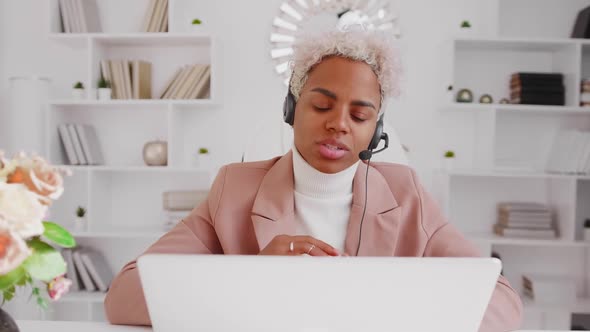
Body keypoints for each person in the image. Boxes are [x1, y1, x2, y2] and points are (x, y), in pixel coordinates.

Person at [104, 29, 523, 332]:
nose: (339, 125)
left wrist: (381, 300)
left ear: (376, 131)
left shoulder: (405, 193)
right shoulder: (234, 188)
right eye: (322, 105)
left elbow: (503, 306)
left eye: (360, 116)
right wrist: (251, 276)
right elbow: (123, 296)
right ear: (292, 109)